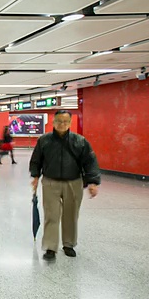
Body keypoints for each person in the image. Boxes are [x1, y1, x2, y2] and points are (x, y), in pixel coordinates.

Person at [30, 110, 100, 261]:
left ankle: (68, 244)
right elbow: (36, 160)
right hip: (50, 182)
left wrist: (93, 182)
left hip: (73, 182)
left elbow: (90, 161)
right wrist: (35, 176)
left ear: (70, 123)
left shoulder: (79, 141)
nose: (62, 124)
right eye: (59, 121)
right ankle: (50, 247)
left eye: (65, 121)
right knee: (51, 215)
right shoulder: (44, 140)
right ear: (53, 122)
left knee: (71, 215)